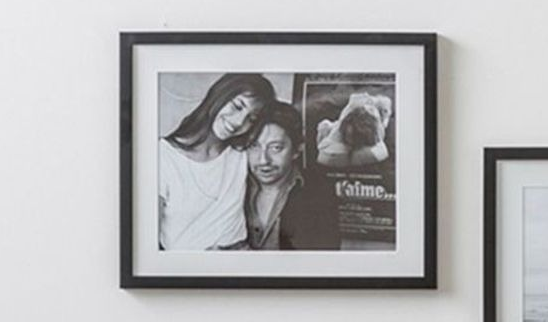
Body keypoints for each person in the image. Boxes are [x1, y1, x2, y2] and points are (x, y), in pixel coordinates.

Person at [158, 72, 275, 250]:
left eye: (251, 118)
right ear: (219, 95)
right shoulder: (163, 156)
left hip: (240, 262)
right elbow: (145, 245)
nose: (238, 122)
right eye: (237, 106)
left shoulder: (241, 152)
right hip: (186, 269)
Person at [245, 102, 340, 251]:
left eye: (276, 148)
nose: (263, 160)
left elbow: (322, 263)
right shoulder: (232, 184)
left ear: (297, 149)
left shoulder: (320, 193)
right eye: (254, 147)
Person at [315, 92, 393, 169]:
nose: (349, 140)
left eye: (353, 137)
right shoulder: (336, 131)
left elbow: (386, 103)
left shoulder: (377, 132)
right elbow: (323, 156)